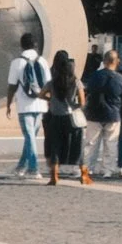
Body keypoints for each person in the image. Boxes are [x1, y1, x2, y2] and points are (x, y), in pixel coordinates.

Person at [44, 48, 89, 187]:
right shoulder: (76, 82)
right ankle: (84, 175)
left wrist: (51, 99)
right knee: (77, 147)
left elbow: (40, 94)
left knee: (55, 147)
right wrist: (74, 105)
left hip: (55, 117)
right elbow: (82, 102)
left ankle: (54, 176)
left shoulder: (52, 82)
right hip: (71, 119)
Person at [6, 33, 48, 178]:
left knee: (29, 137)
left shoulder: (17, 62)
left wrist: (8, 104)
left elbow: (12, 85)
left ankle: (33, 168)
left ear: (21, 45)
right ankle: (21, 167)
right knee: (31, 137)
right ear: (36, 45)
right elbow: (48, 83)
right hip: (41, 103)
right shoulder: (42, 61)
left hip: (24, 104)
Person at [84, 48, 122, 179]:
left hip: (94, 113)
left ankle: (87, 168)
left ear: (104, 61)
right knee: (111, 143)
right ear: (116, 61)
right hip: (113, 113)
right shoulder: (121, 79)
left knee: (90, 143)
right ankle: (107, 169)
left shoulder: (94, 76)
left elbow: (88, 91)